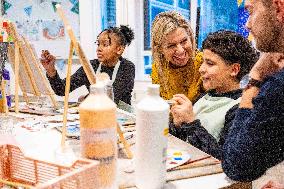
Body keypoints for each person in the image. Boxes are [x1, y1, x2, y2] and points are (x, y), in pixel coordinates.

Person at [222, 0, 284, 185]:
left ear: (278, 8)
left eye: (250, 11)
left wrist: (256, 77)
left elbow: (236, 164)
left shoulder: (278, 86)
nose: (247, 24)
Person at [170, 30, 259, 159]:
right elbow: (183, 144)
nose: (201, 69)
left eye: (210, 63)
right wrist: (178, 124)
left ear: (234, 70)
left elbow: (225, 159)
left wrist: (191, 123)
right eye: (203, 62)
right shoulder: (203, 97)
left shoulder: (239, 107)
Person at [41, 25, 135, 105]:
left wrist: (84, 98)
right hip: (97, 116)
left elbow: (111, 99)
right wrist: (51, 70)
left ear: (119, 49)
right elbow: (61, 89)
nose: (99, 49)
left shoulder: (127, 67)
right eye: (98, 44)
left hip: (122, 120)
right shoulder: (91, 66)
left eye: (105, 44)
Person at [151, 11, 203, 102]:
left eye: (184, 41)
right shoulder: (158, 69)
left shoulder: (204, 64)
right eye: (171, 45)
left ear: (190, 37)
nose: (180, 50)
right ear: (160, 49)